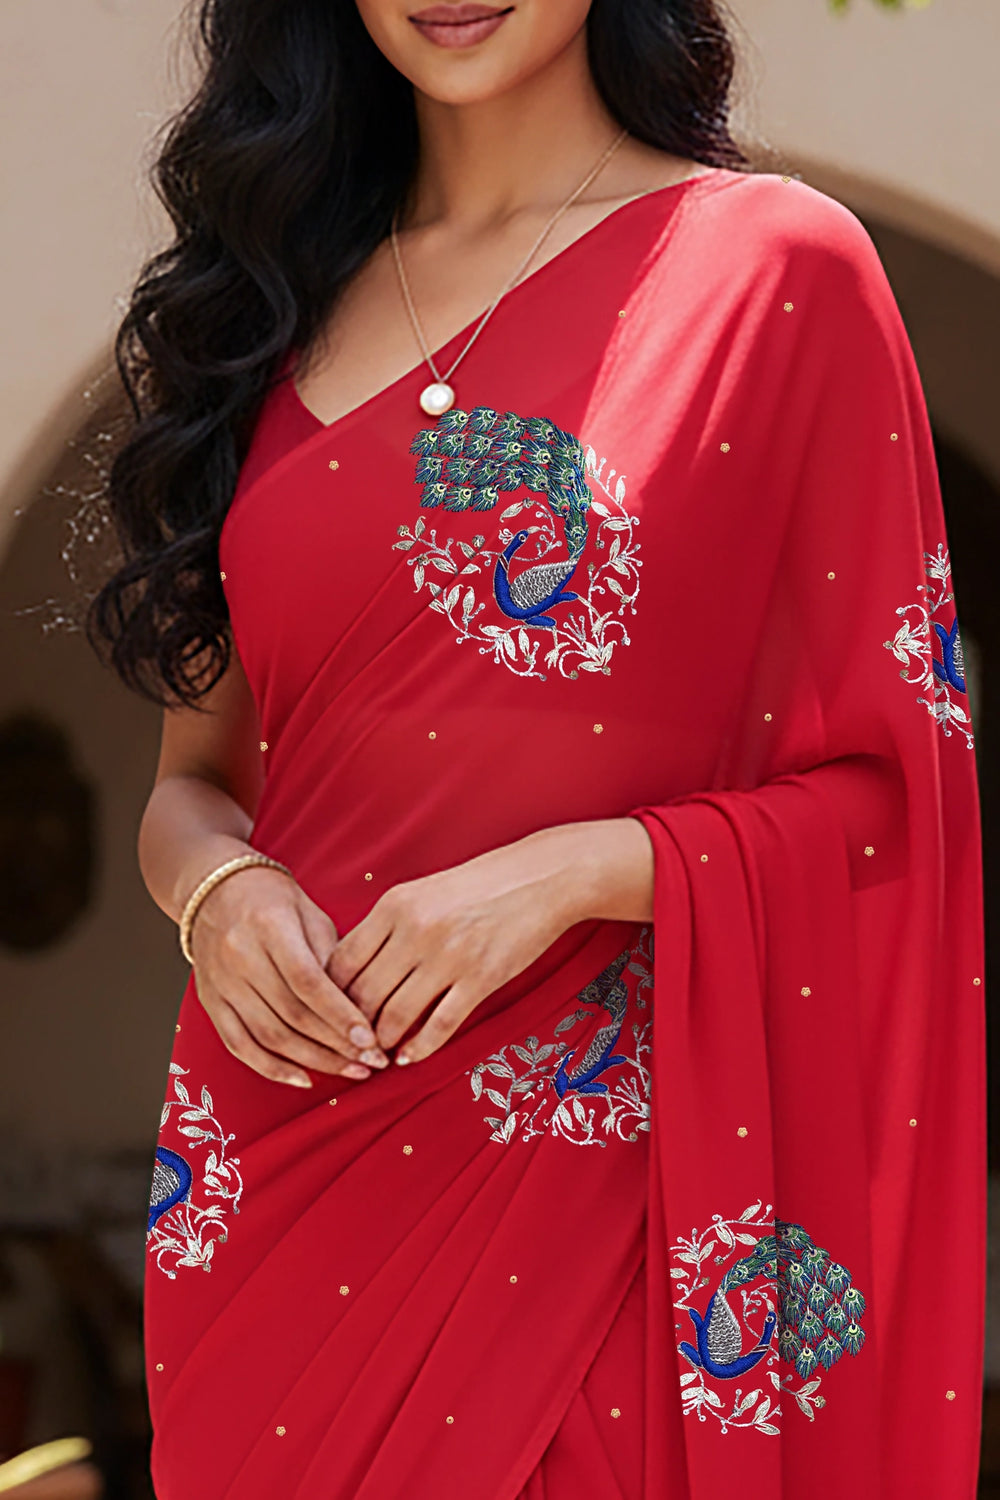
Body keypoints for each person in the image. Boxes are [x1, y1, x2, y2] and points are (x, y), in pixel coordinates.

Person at [89, 0, 985, 1496]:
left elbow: (898, 804)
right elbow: (194, 788)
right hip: (280, 1180)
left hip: (607, 1201)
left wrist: (575, 873)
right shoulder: (259, 306)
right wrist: (219, 894)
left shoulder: (770, 272)